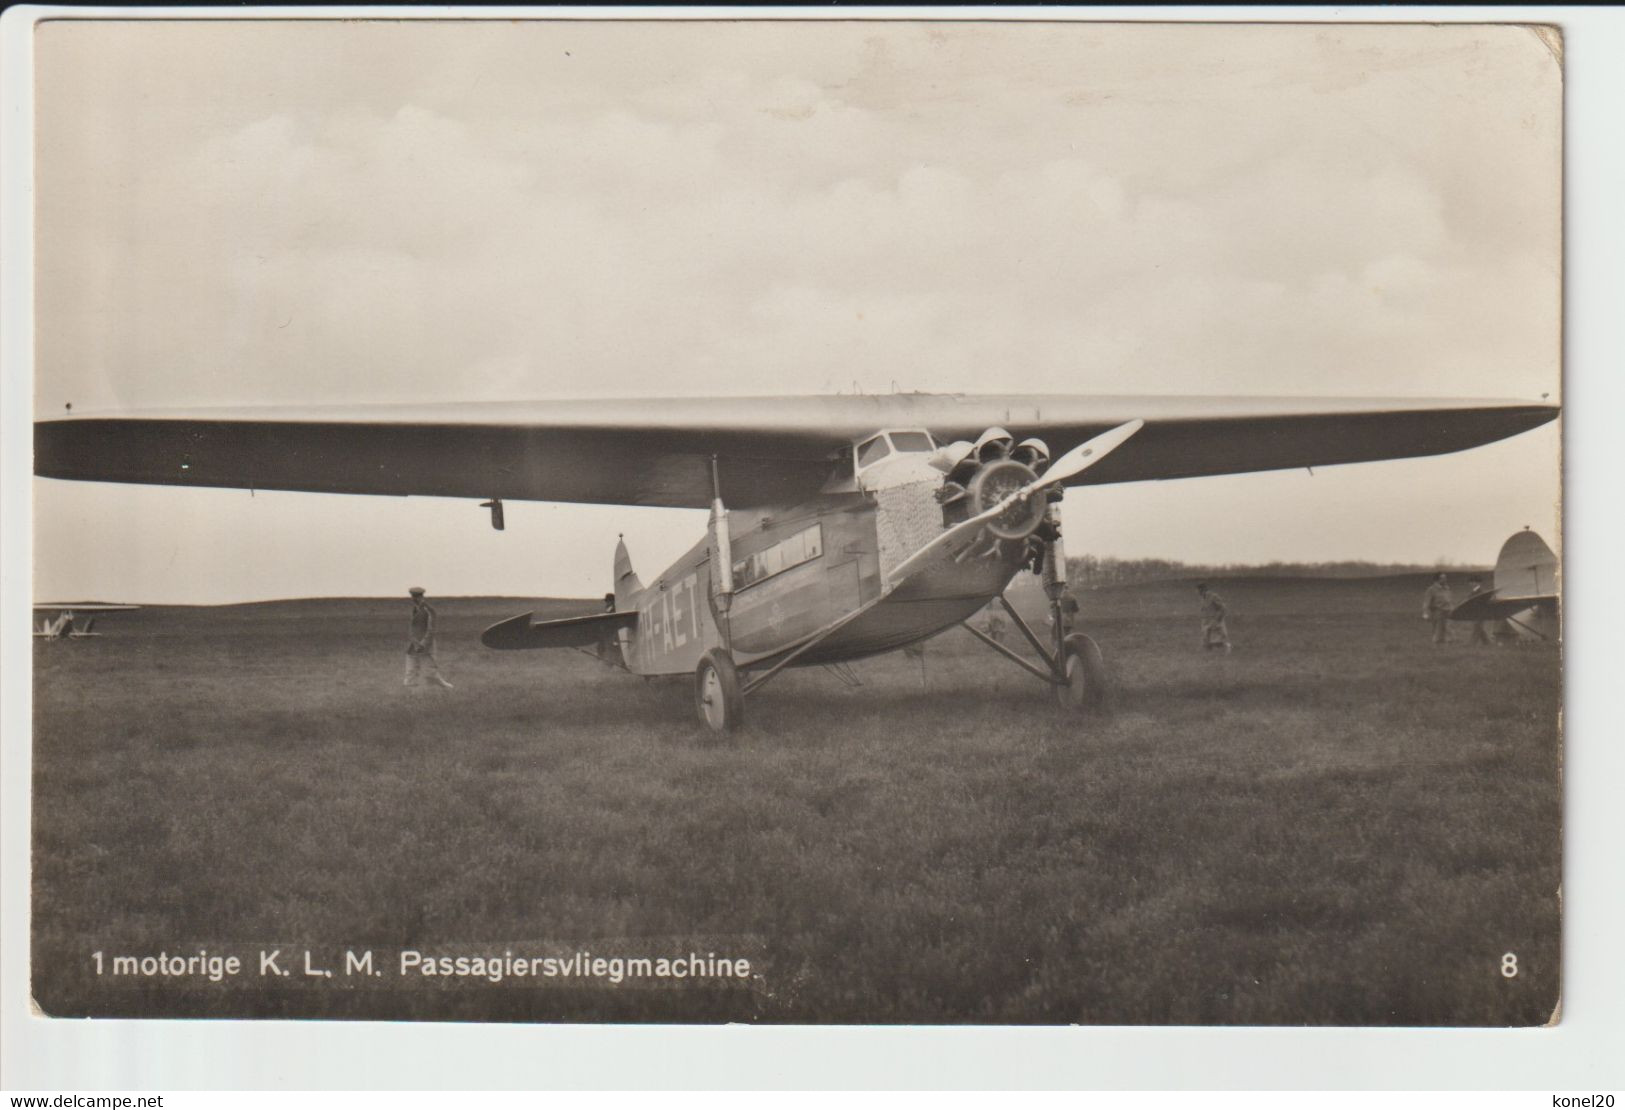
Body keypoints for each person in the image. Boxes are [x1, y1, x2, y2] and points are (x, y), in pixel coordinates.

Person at [404, 587, 454, 688]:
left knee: (430, 673)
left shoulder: (429, 610)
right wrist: (414, 642)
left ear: (422, 596)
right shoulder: (414, 609)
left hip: (426, 646)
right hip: (414, 645)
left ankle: (447, 688)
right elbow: (412, 627)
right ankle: (410, 694)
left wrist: (423, 644)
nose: (415, 599)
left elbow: (431, 630)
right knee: (410, 672)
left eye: (418, 596)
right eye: (414, 596)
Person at [1196, 582, 1231, 653]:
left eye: (1198, 591)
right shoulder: (1203, 598)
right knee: (1206, 638)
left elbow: (1223, 608)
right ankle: (1208, 654)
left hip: (1216, 620)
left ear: (1202, 590)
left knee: (1220, 638)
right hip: (1207, 621)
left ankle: (1227, 650)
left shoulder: (1213, 596)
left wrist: (1219, 618)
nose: (1197, 593)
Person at [1423, 573, 1454, 645]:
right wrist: (1425, 613)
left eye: (1445, 578)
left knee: (1448, 628)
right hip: (1438, 612)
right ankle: (1437, 644)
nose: (1445, 580)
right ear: (1436, 580)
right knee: (1438, 629)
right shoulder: (1431, 590)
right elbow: (1426, 602)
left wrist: (1452, 608)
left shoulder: (1447, 588)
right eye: (1442, 578)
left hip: (1448, 611)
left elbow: (1449, 600)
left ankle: (1448, 643)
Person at [1465, 576, 1493, 646]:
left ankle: (1471, 644)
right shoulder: (1473, 592)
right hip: (1475, 612)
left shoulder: (1481, 592)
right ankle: (1488, 643)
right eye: (1470, 582)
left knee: (1476, 628)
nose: (1471, 584)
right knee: (1479, 628)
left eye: (1473, 582)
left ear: (1478, 583)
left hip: (1480, 612)